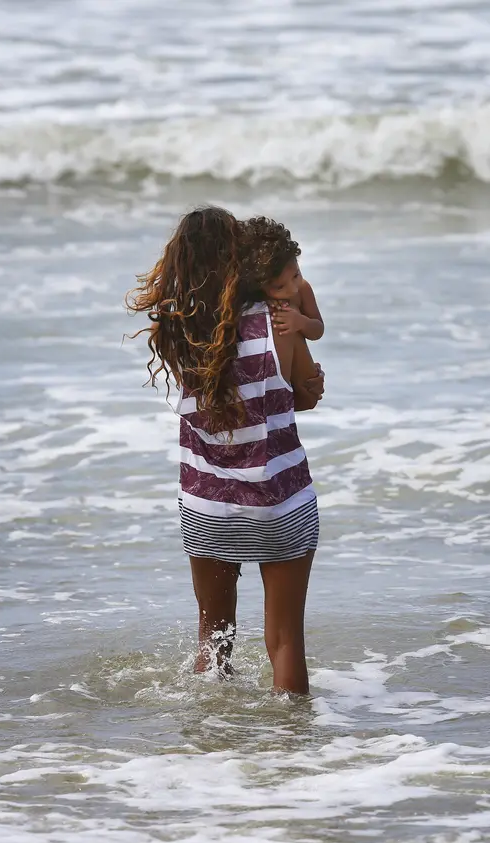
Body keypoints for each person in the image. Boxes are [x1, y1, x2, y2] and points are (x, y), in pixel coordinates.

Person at [127, 207, 325, 695]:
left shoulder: (179, 332)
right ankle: (295, 746)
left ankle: (213, 747)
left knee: (213, 641)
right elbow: (303, 396)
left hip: (207, 506)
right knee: (284, 642)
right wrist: (313, 380)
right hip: (280, 503)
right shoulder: (278, 323)